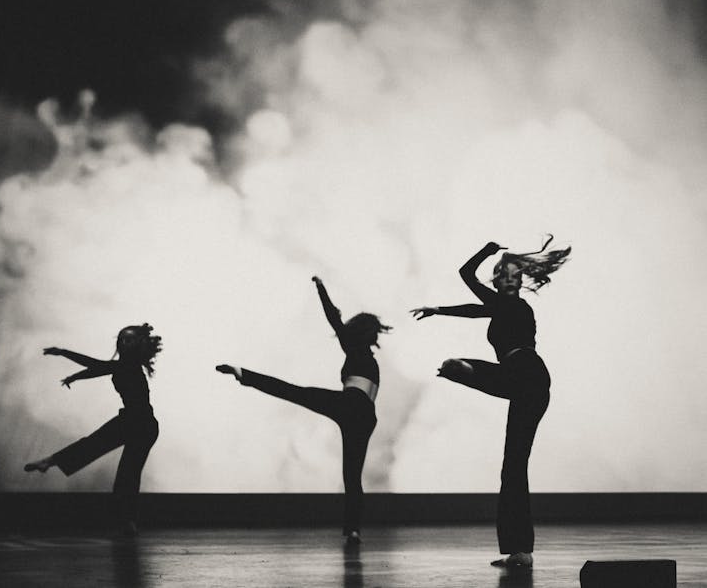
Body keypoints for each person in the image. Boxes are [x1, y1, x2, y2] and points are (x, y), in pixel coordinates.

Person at [411, 237, 570, 567]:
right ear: (497, 280)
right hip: (523, 383)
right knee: (512, 466)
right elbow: (474, 310)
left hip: (526, 373)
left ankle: (464, 369)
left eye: (516, 275)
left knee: (512, 461)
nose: (512, 279)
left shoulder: (517, 306)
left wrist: (486, 250)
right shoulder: (500, 306)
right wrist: (438, 310)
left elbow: (466, 274)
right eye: (505, 275)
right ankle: (520, 551)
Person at [216, 276, 391, 545]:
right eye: (373, 329)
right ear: (364, 331)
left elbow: (335, 320)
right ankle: (353, 530)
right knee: (352, 477)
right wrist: (323, 293)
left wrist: (322, 291)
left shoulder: (358, 350)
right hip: (365, 415)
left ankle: (244, 374)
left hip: (353, 407)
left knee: (295, 393)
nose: (376, 334)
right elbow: (335, 319)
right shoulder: (361, 352)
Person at [24, 323, 162, 535]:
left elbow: (96, 365)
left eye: (129, 340)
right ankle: (126, 521)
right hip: (133, 420)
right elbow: (100, 369)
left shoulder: (129, 365)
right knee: (104, 454)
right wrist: (75, 377)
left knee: (127, 472)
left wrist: (63, 353)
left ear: (138, 344)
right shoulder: (122, 365)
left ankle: (127, 521)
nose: (123, 343)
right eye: (121, 339)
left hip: (142, 424)